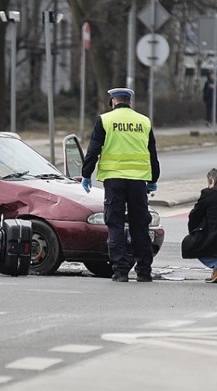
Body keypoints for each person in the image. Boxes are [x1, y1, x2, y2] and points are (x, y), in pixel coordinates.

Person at [81, 87, 160, 283]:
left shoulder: (105, 120)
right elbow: (152, 154)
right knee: (140, 225)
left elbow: (93, 150)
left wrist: (86, 175)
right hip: (138, 181)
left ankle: (121, 271)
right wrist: (153, 179)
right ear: (130, 102)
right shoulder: (144, 121)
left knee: (115, 224)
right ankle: (144, 271)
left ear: (113, 102)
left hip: (114, 181)